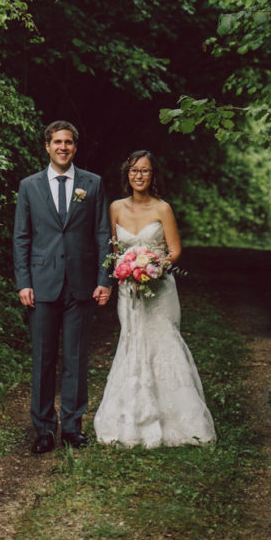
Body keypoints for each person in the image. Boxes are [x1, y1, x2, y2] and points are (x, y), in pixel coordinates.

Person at [93, 149, 216, 447]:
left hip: (159, 290)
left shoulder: (163, 209)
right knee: (133, 343)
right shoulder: (116, 209)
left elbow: (174, 251)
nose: (139, 176)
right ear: (127, 174)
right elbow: (112, 250)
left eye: (145, 171)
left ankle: (177, 421)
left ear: (152, 175)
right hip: (129, 291)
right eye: (134, 170)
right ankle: (132, 419)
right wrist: (125, 269)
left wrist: (154, 266)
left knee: (163, 344)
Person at [13, 120, 112, 453]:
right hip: (41, 285)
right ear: (47, 146)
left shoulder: (93, 184)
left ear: (75, 147)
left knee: (76, 357)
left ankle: (72, 426)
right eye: (57, 142)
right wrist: (23, 282)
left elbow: (102, 235)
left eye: (68, 142)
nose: (63, 147)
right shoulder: (29, 186)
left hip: (81, 284)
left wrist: (104, 279)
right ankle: (43, 429)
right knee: (43, 358)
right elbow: (22, 237)